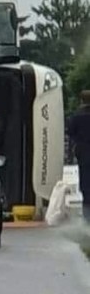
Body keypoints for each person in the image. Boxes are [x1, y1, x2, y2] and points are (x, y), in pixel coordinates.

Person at [67, 90, 90, 223]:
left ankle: (88, 219)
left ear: (81, 101)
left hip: (84, 154)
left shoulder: (77, 117)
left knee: (86, 186)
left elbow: (70, 132)